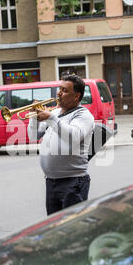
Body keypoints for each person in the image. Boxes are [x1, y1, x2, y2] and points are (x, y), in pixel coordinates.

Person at [28, 75, 95, 215]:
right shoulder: (56, 112)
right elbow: (33, 136)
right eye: (60, 89)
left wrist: (51, 118)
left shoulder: (83, 115)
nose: (58, 93)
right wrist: (33, 117)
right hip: (51, 182)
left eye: (64, 90)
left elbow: (73, 137)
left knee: (72, 228)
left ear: (76, 96)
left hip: (72, 182)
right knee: (54, 227)